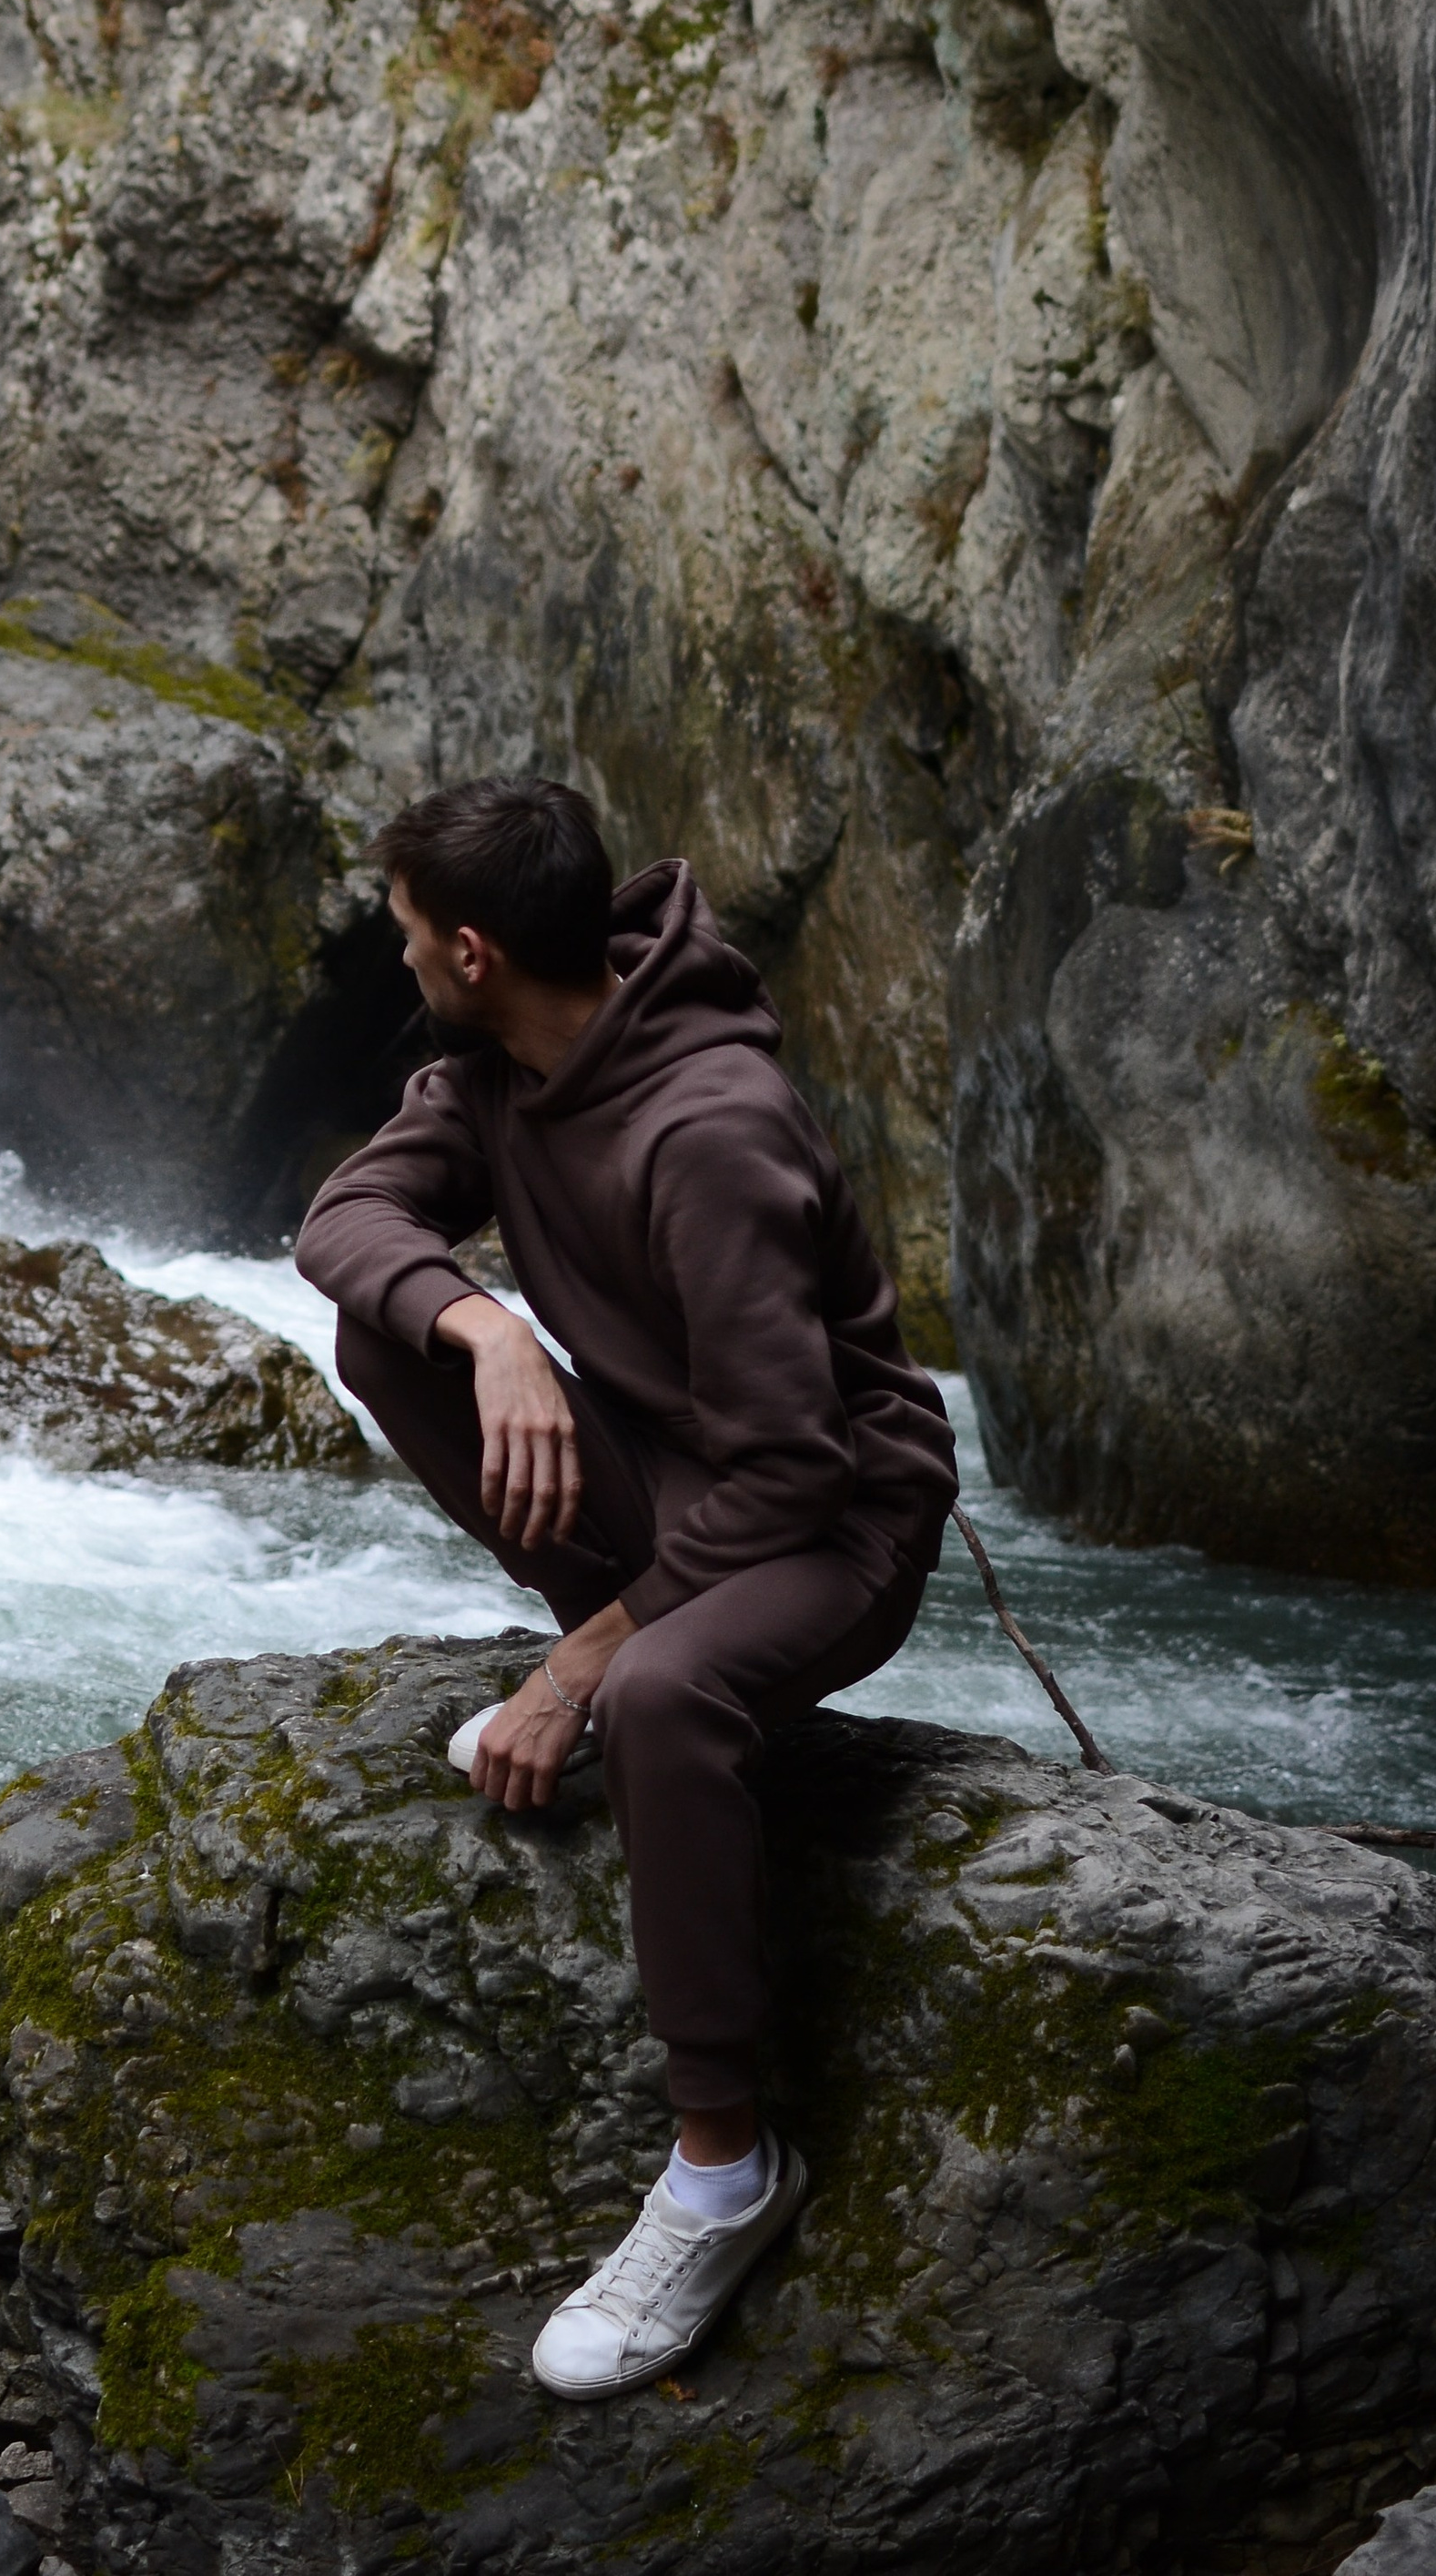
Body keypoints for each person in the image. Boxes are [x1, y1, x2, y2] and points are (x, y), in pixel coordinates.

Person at [294, 776, 957, 2399]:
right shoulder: (499, 1066)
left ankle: (726, 2172)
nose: (398, 968)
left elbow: (798, 1472)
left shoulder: (711, 1129)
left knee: (663, 1691)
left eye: (401, 940)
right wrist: (491, 1327)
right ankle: (625, 1648)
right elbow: (345, 1221)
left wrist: (584, 1658)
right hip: (689, 1475)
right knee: (387, 1326)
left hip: (834, 1527)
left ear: (469, 946)